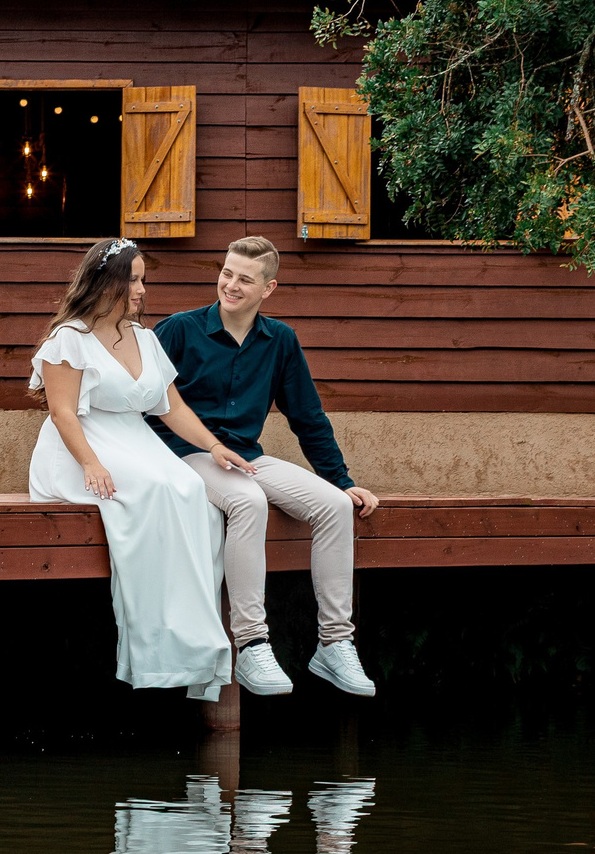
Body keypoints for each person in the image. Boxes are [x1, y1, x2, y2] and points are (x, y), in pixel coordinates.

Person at [148, 236, 380, 698]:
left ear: (268, 288)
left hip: (246, 455)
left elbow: (307, 417)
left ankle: (335, 644)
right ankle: (252, 644)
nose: (230, 285)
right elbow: (146, 403)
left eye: (245, 279)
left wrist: (342, 481)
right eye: (227, 273)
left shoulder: (281, 341)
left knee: (335, 506)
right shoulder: (177, 330)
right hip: (185, 453)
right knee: (248, 502)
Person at [28, 238, 259, 699]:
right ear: (105, 283)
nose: (141, 289)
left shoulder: (146, 339)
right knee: (155, 489)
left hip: (137, 443)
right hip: (83, 448)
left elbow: (172, 407)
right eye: (132, 280)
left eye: (142, 280)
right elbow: (62, 412)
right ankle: (154, 645)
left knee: (191, 491)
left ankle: (195, 639)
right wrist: (91, 463)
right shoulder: (68, 338)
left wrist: (214, 447)